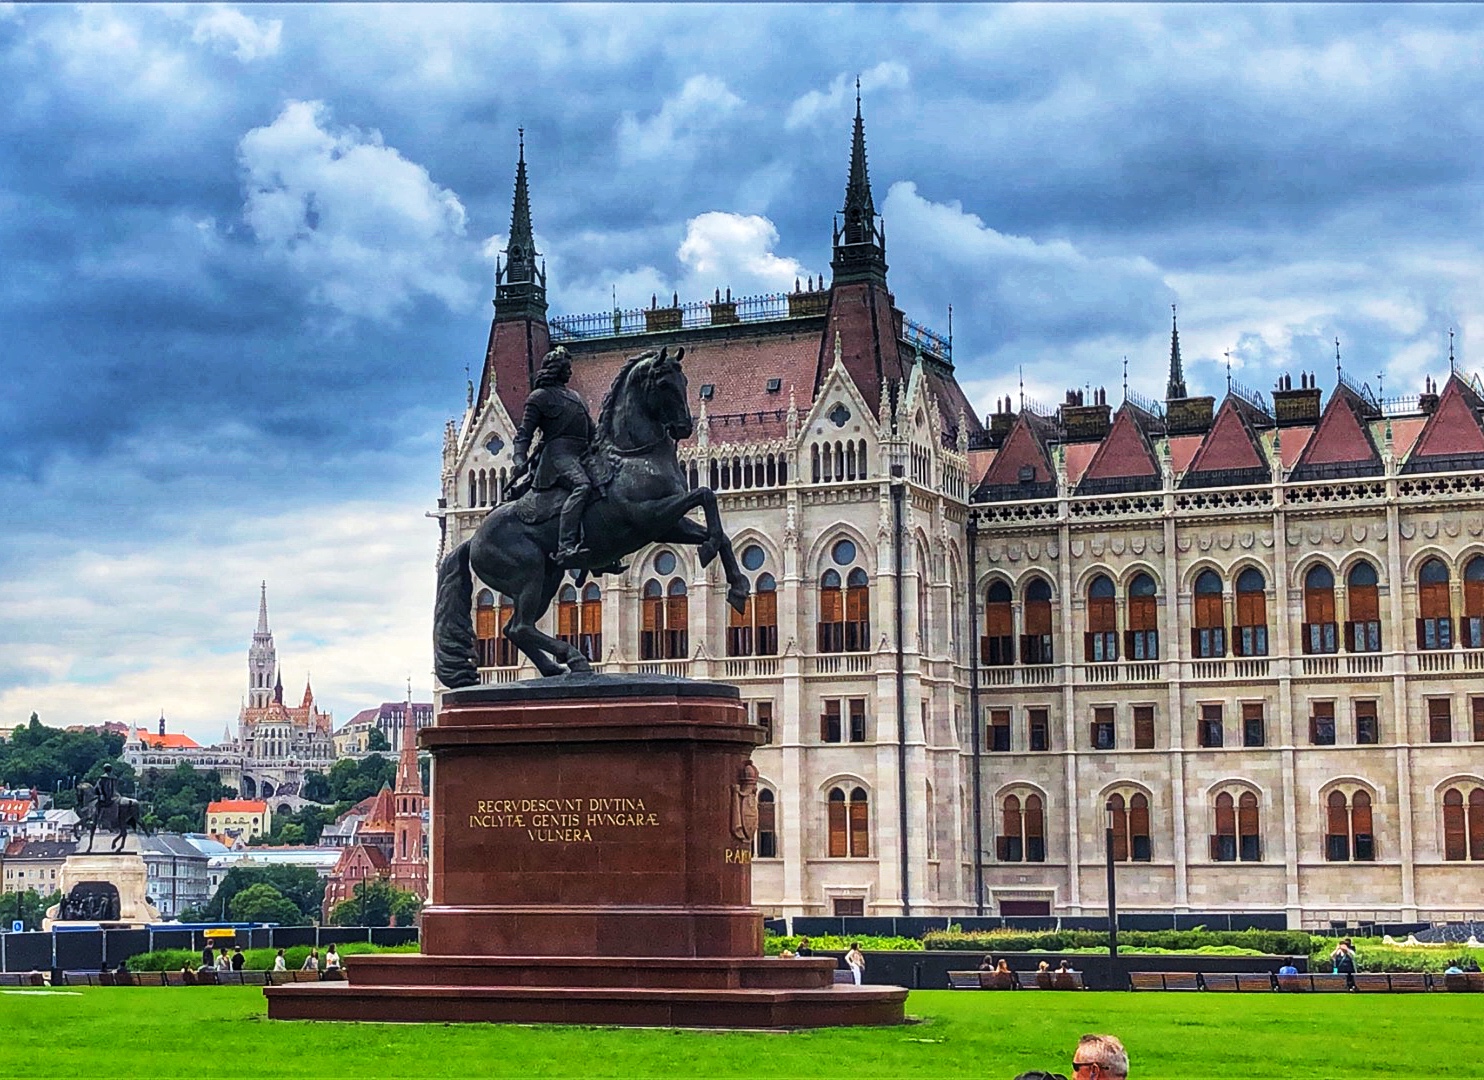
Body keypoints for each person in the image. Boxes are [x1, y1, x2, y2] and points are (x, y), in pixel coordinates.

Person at [510, 346, 599, 567]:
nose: (570, 371)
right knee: (582, 486)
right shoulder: (539, 397)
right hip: (557, 458)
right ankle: (566, 546)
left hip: (582, 454)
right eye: (566, 367)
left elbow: (592, 431)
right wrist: (519, 459)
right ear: (556, 369)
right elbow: (524, 434)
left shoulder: (577, 398)